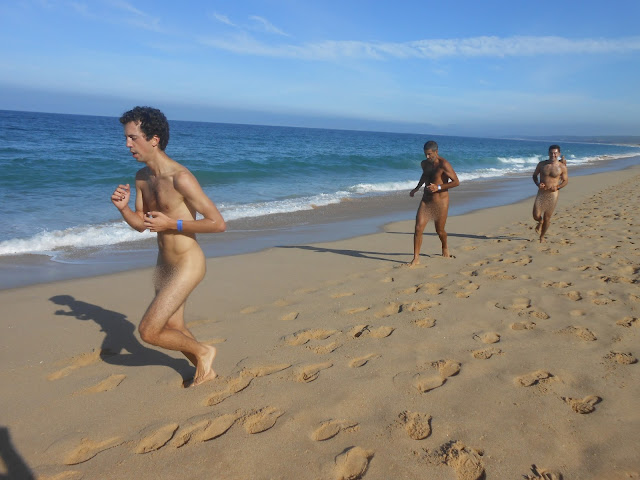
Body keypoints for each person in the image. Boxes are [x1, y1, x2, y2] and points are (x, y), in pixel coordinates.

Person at [111, 106, 226, 386]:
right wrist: (124, 209)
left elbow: (217, 223)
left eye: (133, 137)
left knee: (149, 331)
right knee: (174, 326)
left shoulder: (180, 178)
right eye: (126, 138)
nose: (127, 144)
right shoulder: (142, 177)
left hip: (188, 262)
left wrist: (172, 224)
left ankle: (204, 352)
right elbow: (141, 224)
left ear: (154, 139)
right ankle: (205, 370)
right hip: (164, 264)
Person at [408, 140, 460, 266]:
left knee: (440, 230)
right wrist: (416, 188)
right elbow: (425, 176)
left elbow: (456, 182)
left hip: (440, 203)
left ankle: (445, 247)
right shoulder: (424, 163)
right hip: (426, 201)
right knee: (418, 228)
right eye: (425, 154)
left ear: (436, 152)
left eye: (430, 154)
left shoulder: (444, 164)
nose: (427, 156)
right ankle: (416, 258)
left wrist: (438, 187)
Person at [532, 144, 569, 243]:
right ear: (548, 153)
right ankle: (540, 221)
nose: (553, 155)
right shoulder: (542, 164)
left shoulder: (562, 167)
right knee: (536, 215)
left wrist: (558, 187)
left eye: (555, 153)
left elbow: (565, 181)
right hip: (542, 192)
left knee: (547, 217)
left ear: (559, 154)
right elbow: (534, 175)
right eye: (551, 153)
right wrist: (538, 183)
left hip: (553, 194)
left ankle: (542, 236)